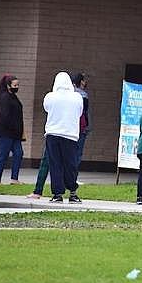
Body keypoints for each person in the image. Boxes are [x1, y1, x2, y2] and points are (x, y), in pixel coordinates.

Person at [43, 72, 84, 203]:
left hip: (53, 134)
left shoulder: (50, 97)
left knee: (55, 165)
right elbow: (80, 112)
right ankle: (73, 192)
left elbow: (46, 109)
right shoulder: (77, 97)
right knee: (71, 165)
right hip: (70, 135)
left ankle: (57, 194)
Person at [0, 74, 24, 185]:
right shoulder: (4, 97)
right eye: (15, 85)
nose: (17, 87)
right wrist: (15, 127)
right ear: (8, 86)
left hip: (15, 133)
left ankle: (14, 179)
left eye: (18, 85)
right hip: (6, 132)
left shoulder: (13, 97)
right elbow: (5, 116)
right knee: (3, 156)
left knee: (18, 154)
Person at [72, 72, 90, 171]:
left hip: (70, 126)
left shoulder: (70, 94)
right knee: (78, 152)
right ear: (81, 82)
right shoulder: (83, 96)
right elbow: (85, 113)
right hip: (81, 126)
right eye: (84, 80)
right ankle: (73, 174)